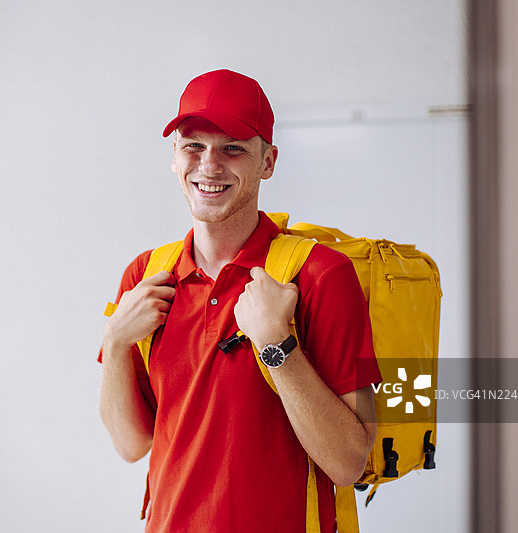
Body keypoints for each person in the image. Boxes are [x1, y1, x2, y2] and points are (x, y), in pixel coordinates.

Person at [99, 69, 382, 533]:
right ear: (174, 156)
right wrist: (114, 343)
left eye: (233, 148)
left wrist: (277, 345)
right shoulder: (147, 275)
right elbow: (132, 444)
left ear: (268, 161)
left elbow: (349, 461)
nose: (209, 165)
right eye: (194, 145)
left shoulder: (321, 275)